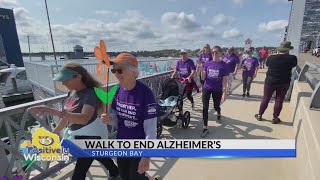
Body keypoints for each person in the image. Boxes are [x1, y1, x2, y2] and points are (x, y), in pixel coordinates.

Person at [27, 63, 120, 180]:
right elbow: (66, 117)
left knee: (79, 173)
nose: (63, 83)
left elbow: (84, 118)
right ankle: (115, 171)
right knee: (99, 154)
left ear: (78, 77)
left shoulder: (90, 93)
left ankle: (115, 171)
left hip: (91, 136)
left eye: (66, 79)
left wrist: (52, 111)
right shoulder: (71, 93)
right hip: (78, 135)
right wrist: (54, 134)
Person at [100, 53, 160, 180]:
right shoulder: (117, 90)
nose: (116, 74)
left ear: (133, 72)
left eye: (120, 70)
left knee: (135, 177)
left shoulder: (145, 93)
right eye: (114, 70)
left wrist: (146, 156)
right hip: (122, 144)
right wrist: (109, 119)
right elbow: (118, 120)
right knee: (124, 176)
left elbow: (151, 129)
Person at [255, 41, 297, 124]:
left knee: (266, 98)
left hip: (270, 82)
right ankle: (275, 118)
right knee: (279, 100)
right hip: (284, 82)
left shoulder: (271, 58)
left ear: (279, 49)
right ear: (288, 50)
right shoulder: (292, 58)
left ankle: (260, 115)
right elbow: (293, 65)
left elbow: (267, 65)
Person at [200, 45, 228, 137]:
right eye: (212, 52)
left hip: (217, 89)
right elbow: (203, 78)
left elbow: (224, 80)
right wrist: (201, 70)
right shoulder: (207, 64)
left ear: (220, 53)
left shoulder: (223, 65)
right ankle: (205, 127)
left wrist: (224, 93)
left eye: (216, 52)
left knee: (216, 106)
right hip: (206, 88)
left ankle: (219, 113)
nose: (214, 54)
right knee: (205, 107)